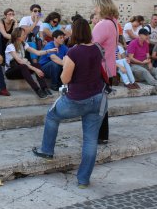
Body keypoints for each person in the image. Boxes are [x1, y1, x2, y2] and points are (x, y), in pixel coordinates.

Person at [32, 18, 106, 188]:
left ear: (75, 32)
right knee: (90, 140)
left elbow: (64, 78)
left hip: (77, 98)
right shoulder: (97, 49)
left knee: (52, 116)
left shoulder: (73, 52)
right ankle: (83, 180)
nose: (68, 33)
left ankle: (47, 150)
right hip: (98, 98)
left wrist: (66, 63)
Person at [91, 0, 119, 144]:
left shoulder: (103, 25)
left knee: (97, 104)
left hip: (100, 70)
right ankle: (103, 135)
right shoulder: (114, 23)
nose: (94, 9)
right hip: (109, 70)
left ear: (101, 6)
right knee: (102, 104)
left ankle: (97, 135)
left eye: (96, 6)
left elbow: (91, 46)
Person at [5, 27, 54, 98]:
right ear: (18, 36)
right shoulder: (10, 46)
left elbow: (37, 53)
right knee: (24, 66)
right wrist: (34, 69)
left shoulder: (24, 44)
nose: (25, 36)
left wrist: (49, 50)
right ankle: (37, 90)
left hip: (22, 70)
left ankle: (44, 88)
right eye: (23, 34)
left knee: (37, 64)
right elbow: (19, 61)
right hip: (11, 72)